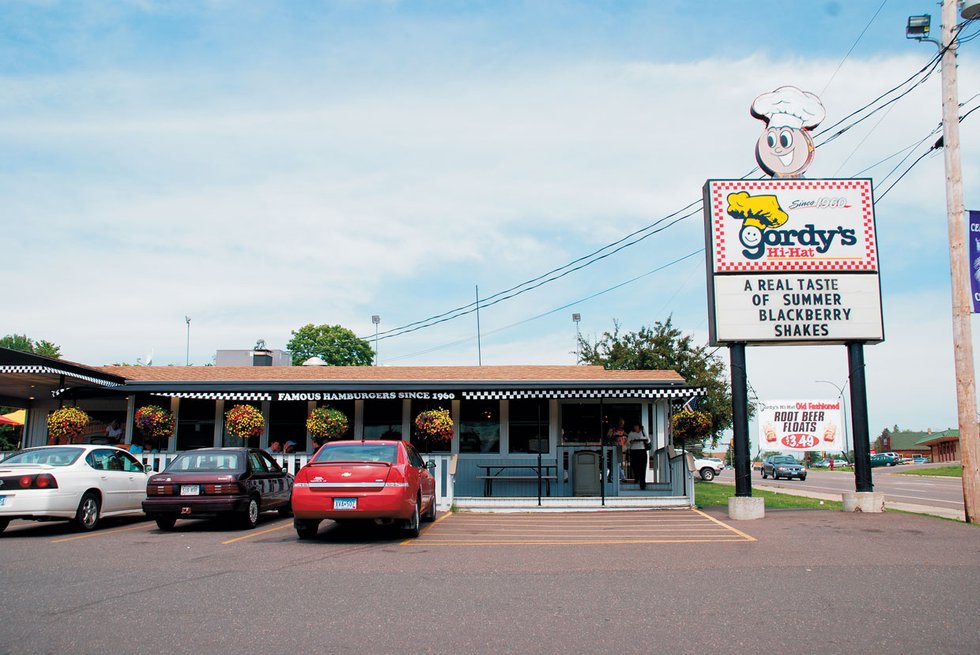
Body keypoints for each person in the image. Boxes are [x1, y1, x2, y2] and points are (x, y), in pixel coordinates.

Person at [627, 424, 651, 490]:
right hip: (634, 451)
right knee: (635, 466)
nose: (635, 427)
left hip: (642, 451)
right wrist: (632, 441)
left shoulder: (643, 432)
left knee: (642, 467)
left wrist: (644, 439)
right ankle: (637, 478)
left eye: (637, 426)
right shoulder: (631, 433)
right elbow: (628, 443)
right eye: (634, 426)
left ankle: (642, 483)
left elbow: (648, 440)